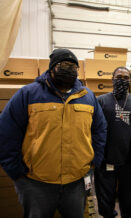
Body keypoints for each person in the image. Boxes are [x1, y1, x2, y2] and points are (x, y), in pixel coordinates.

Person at [0, 48, 107, 218]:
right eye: (64, 65)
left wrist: (94, 161)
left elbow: (100, 130)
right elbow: (6, 132)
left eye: (73, 66)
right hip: (36, 183)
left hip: (76, 181)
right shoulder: (28, 94)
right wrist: (17, 173)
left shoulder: (88, 97)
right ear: (52, 68)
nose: (69, 69)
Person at [94, 67, 131, 218]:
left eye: (126, 77)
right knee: (105, 198)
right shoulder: (101, 101)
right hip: (105, 161)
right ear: (112, 79)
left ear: (130, 81)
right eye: (119, 76)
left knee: (128, 197)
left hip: (128, 162)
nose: (122, 80)